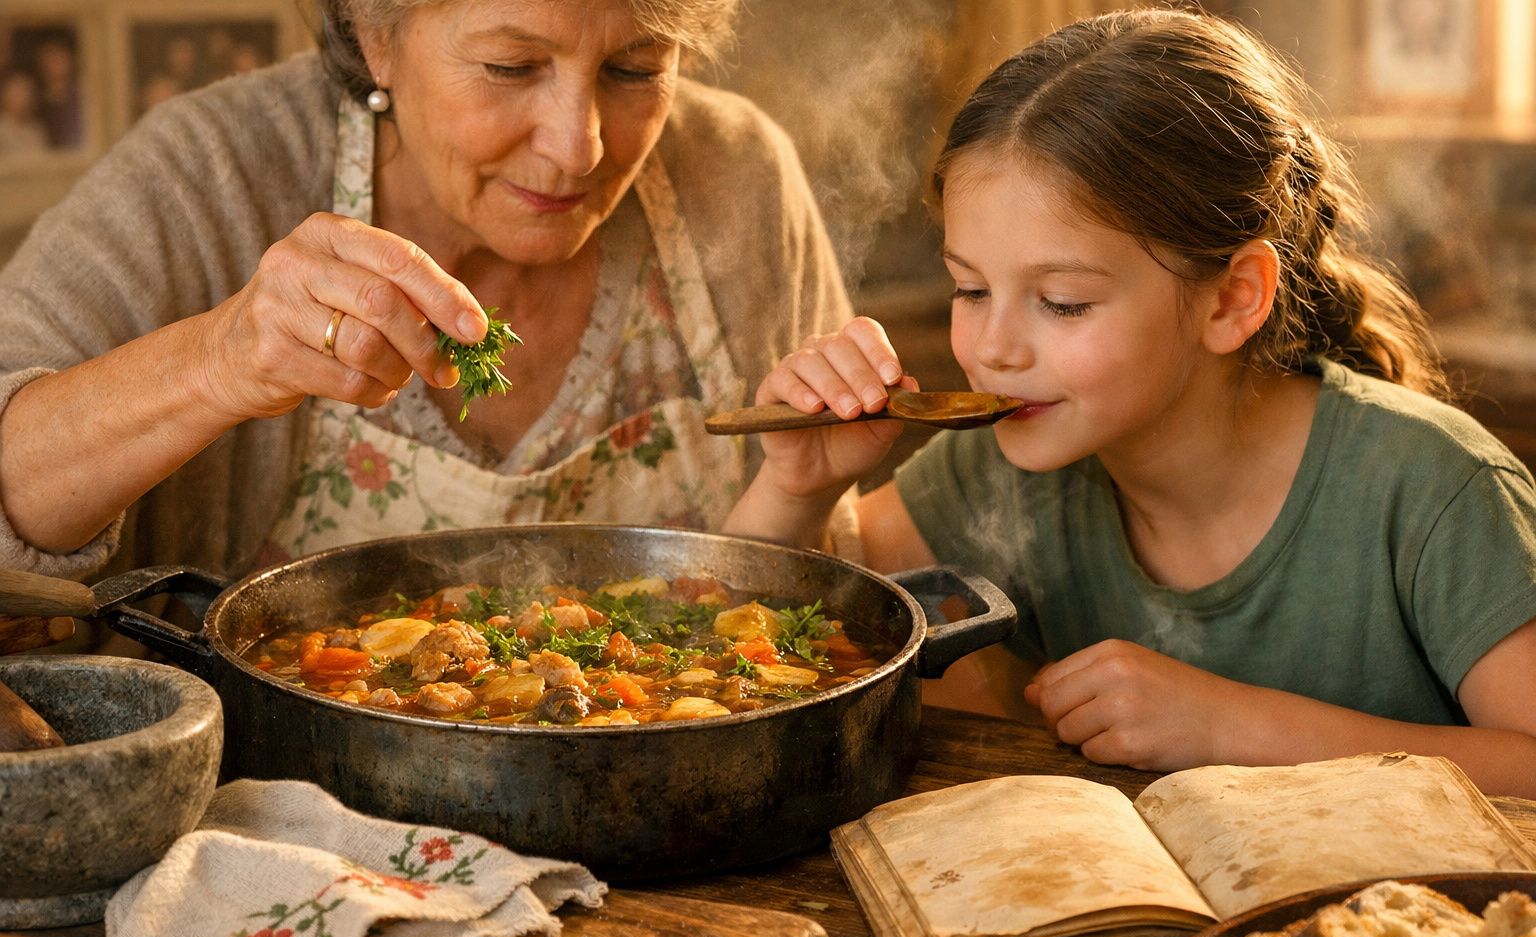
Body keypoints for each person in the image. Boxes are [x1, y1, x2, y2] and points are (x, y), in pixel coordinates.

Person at [722, 8, 1536, 798]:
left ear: (1231, 300)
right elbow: (750, 662)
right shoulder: (1002, 464)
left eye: (1064, 302)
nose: (992, 348)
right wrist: (799, 488)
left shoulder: (1437, 488)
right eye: (970, 288)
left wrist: (1233, 728)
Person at [0, 0, 850, 590]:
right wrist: (219, 361)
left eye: (634, 69)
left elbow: (828, 570)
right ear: (377, 36)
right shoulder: (208, 175)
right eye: (511, 66)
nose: (576, 146)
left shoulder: (738, 175)